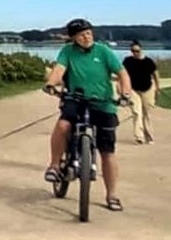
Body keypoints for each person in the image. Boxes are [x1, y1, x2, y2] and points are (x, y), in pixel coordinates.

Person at [43, 18, 132, 212]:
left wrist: (125, 94)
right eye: (82, 34)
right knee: (63, 126)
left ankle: (112, 195)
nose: (87, 37)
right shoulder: (67, 51)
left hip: (103, 103)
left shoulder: (104, 51)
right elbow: (59, 70)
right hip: (76, 99)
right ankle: (55, 166)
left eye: (89, 33)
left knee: (107, 151)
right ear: (73, 38)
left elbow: (123, 74)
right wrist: (51, 84)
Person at [122, 41, 159, 145]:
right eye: (133, 51)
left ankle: (149, 136)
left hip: (147, 89)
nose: (135, 53)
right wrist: (122, 89)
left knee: (147, 113)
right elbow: (123, 74)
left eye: (137, 51)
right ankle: (139, 136)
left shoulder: (148, 61)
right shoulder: (128, 61)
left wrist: (157, 88)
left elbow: (155, 75)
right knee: (137, 112)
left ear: (141, 50)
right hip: (133, 89)